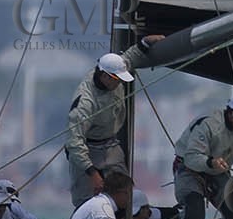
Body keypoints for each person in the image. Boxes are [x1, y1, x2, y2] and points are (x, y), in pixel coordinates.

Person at [65, 37, 163, 208]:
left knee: (124, 194)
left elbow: (130, 57)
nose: (119, 82)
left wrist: (145, 42)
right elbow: (74, 143)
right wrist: (92, 173)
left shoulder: (113, 68)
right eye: (116, 79)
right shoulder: (85, 102)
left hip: (110, 146)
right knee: (86, 203)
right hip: (86, 150)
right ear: (104, 76)